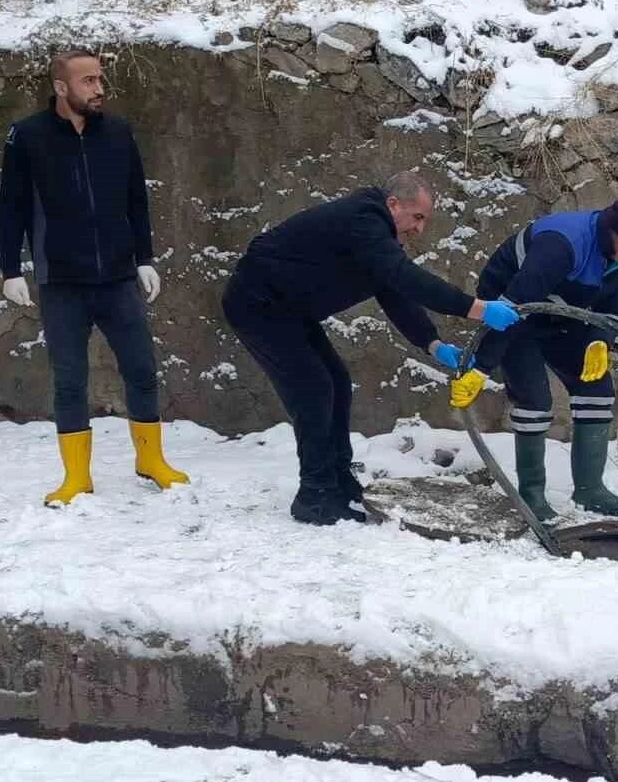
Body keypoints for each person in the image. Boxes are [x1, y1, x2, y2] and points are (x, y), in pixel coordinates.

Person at [223, 172, 520, 525]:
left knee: (336, 381)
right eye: (418, 217)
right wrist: (479, 309)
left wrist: (433, 343)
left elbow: (395, 294)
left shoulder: (374, 237)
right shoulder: (362, 220)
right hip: (259, 305)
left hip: (288, 311)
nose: (419, 229)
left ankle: (338, 482)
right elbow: (407, 278)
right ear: (393, 204)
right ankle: (314, 494)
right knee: (314, 390)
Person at [0, 48, 187, 506]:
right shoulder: (27, 136)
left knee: (141, 369)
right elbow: (12, 206)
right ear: (61, 88)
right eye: (88, 81)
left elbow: (136, 199)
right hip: (61, 282)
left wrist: (145, 257)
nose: (99, 89)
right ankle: (76, 476)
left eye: (100, 80)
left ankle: (150, 460)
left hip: (118, 278)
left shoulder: (118, 132)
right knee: (69, 380)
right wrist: (10, 269)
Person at [451, 191, 618, 522]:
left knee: (597, 390)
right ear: (613, 230)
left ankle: (591, 491)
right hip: (510, 310)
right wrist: (481, 366)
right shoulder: (563, 244)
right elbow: (512, 306)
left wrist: (599, 343)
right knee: (534, 400)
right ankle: (532, 494)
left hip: (560, 313)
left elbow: (611, 309)